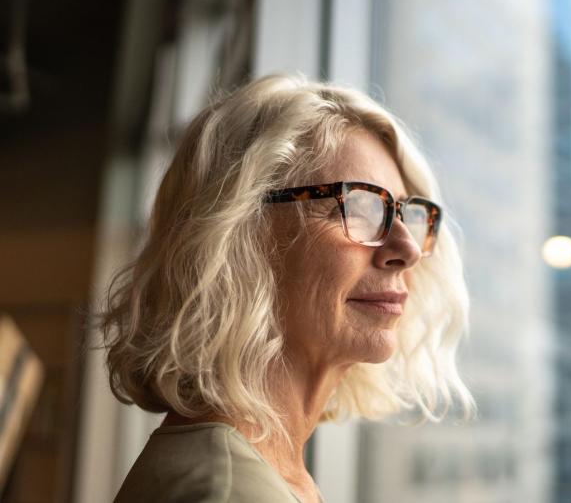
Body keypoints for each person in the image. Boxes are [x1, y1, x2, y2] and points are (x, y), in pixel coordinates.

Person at [101, 74, 475, 503]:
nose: (406, 249)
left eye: (406, 214)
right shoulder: (226, 490)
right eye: (359, 207)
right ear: (240, 232)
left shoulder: (261, 469)